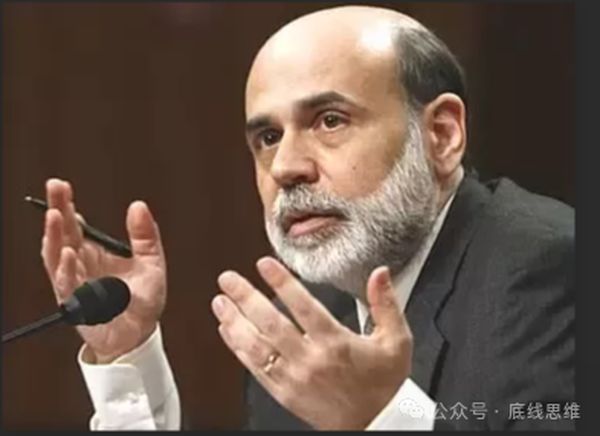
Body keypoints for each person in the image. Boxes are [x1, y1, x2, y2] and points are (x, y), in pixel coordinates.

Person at [39, 5, 574, 431]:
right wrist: (128, 357)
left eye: (330, 120)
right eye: (268, 137)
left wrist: (385, 418)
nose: (286, 167)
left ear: (441, 135)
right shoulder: (305, 319)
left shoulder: (553, 267)